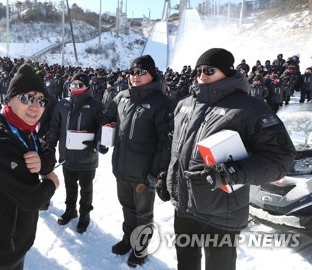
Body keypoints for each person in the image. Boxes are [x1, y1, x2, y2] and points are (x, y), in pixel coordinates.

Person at [165, 48, 295, 270]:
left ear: (227, 72)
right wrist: (165, 176)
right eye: (199, 71)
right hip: (184, 206)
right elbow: (176, 148)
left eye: (209, 70)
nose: (202, 75)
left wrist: (232, 172)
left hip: (221, 212)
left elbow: (281, 159)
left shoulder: (249, 108)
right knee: (185, 263)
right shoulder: (185, 104)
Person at [0, 63, 59, 269]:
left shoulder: (19, 125)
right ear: (10, 99)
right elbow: (33, 198)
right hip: (0, 248)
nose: (35, 106)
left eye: (41, 100)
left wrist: (43, 162)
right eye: (27, 98)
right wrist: (52, 180)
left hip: (7, 237)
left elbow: (46, 149)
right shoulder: (1, 140)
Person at [104, 55, 174, 268]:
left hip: (145, 173)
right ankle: (128, 239)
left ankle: (140, 247)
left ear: (152, 74)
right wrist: (103, 136)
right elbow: (109, 120)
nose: (135, 76)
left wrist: (156, 172)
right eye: (133, 72)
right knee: (127, 207)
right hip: (122, 167)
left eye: (141, 72)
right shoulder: (122, 96)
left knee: (143, 213)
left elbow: (166, 142)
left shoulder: (161, 102)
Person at [47, 72, 107, 233]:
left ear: (87, 86)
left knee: (86, 188)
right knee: (69, 185)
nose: (75, 87)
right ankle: (70, 210)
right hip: (67, 155)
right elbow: (54, 128)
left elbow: (102, 129)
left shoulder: (96, 106)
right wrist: (49, 147)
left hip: (86, 157)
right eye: (73, 84)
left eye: (79, 84)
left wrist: (98, 143)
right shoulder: (62, 104)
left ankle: (85, 214)